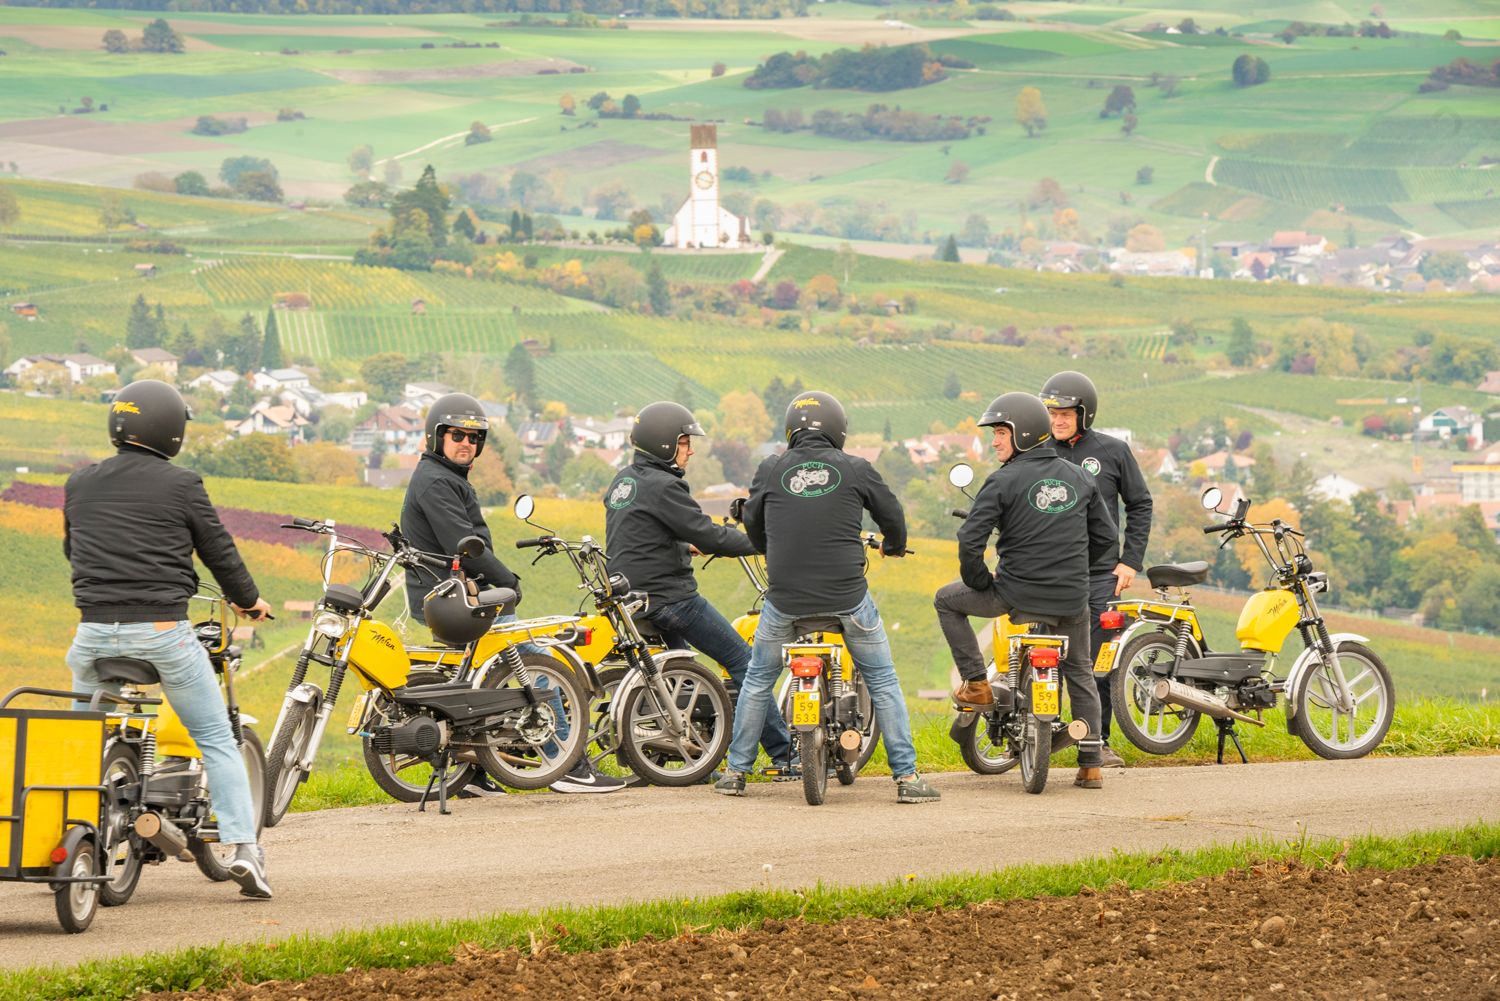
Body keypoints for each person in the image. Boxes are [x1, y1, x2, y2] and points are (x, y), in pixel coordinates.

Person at [63, 379, 274, 898]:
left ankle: (66, 837)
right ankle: (245, 850)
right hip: (162, 634)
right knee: (216, 741)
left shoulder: (79, 483)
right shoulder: (182, 485)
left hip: (91, 636)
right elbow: (220, 554)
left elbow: (75, 551)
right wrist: (249, 601)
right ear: (171, 429)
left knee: (76, 740)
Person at [714, 391, 939, 804]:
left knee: (760, 677)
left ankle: (735, 773)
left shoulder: (772, 467)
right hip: (848, 597)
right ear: (839, 430)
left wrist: (767, 546)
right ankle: (907, 778)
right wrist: (893, 544)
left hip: (785, 599)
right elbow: (892, 514)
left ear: (790, 430)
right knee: (884, 680)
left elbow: (753, 522)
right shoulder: (856, 468)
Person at [401, 392, 624, 795]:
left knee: (480, 680)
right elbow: (463, 543)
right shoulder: (436, 481)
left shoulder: (443, 478)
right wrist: (508, 582)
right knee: (538, 665)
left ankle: (472, 774)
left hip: (450, 595)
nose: (466, 442)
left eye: (474, 437)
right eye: (456, 434)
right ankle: (567, 763)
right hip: (454, 600)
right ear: (437, 437)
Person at [935, 392, 1118, 789]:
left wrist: (983, 582)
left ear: (1023, 433)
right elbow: (1106, 540)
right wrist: (1076, 574)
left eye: (1002, 433)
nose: (995, 441)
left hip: (1014, 594)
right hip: (1071, 599)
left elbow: (970, 540)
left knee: (946, 601)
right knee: (1080, 670)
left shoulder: (1002, 480)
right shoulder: (1081, 477)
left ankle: (978, 684)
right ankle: (1091, 764)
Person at [604, 401, 796, 775]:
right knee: (745, 661)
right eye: (684, 442)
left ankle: (693, 748)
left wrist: (680, 544)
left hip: (633, 597)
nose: (690, 449)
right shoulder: (663, 485)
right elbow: (710, 535)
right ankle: (784, 753)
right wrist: (769, 541)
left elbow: (641, 533)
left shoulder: (625, 481)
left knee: (680, 677)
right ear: (663, 444)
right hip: (669, 598)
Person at [1040, 371, 1153, 769]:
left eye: (1066, 413)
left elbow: (1140, 504)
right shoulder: (1038, 453)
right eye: (1052, 412)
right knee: (1043, 656)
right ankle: (1040, 739)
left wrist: (1130, 560)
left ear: (1084, 413)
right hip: (1048, 573)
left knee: (1095, 661)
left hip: (1099, 573)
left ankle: (1097, 741)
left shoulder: (1112, 451)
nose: (1057, 420)